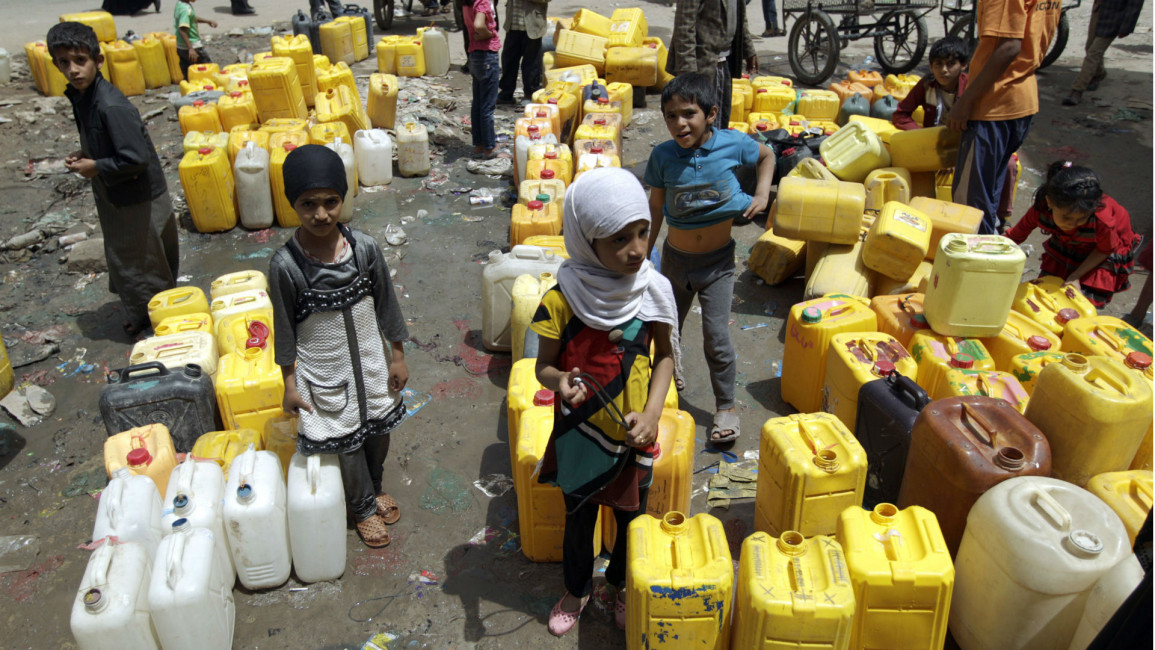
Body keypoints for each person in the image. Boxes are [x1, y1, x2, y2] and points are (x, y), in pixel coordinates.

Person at [531, 167, 677, 636]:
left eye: (642, 232)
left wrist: (652, 414)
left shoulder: (652, 288)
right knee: (579, 516)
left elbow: (665, 359)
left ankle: (615, 583)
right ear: (585, 241)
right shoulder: (562, 299)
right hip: (582, 433)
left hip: (635, 434)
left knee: (630, 517)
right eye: (619, 240)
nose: (637, 249)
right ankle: (577, 588)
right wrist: (561, 381)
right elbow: (544, 367)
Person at [269, 145, 411, 549]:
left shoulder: (364, 248)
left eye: (331, 201)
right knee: (347, 441)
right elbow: (283, 331)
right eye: (308, 204)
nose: (321, 214)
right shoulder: (286, 267)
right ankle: (363, 506)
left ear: (344, 198)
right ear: (292, 204)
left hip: (371, 364)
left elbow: (387, 306)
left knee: (379, 433)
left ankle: (376, 484)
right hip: (326, 373)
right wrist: (290, 382)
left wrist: (397, 355)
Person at [643, 73, 775, 443]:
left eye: (688, 114)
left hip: (718, 265)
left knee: (717, 337)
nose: (679, 123)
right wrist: (645, 253)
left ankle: (725, 407)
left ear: (711, 114)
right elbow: (655, 205)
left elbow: (766, 155)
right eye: (670, 116)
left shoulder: (732, 144)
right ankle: (667, 383)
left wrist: (762, 195)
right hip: (674, 262)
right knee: (667, 330)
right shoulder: (663, 156)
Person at [49, 22, 178, 338]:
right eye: (64, 62)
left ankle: (157, 323)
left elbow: (134, 158)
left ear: (98, 60)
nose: (73, 70)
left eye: (80, 60)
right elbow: (109, 141)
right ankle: (148, 313)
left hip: (135, 196)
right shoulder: (84, 96)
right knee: (135, 259)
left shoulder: (109, 104)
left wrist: (95, 166)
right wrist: (86, 152)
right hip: (119, 191)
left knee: (142, 264)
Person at [944, 0, 1061, 235]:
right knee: (988, 196)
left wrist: (965, 102)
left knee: (970, 208)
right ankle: (990, 251)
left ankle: (978, 262)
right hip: (1021, 100)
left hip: (993, 105)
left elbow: (1009, 47)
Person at [894, 36, 1019, 228]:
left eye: (950, 64)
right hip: (936, 143)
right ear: (931, 66)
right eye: (938, 64)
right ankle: (921, 212)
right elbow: (901, 114)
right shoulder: (927, 85)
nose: (943, 70)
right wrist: (921, 137)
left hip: (969, 140)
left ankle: (1003, 217)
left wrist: (959, 154)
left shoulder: (972, 87)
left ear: (963, 65)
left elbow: (984, 124)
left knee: (1009, 164)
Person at [1005, 161, 1141, 308]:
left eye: (1082, 219)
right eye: (1067, 218)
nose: (1072, 224)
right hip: (1071, 244)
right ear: (1049, 202)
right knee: (1046, 294)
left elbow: (1105, 249)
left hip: (1102, 251)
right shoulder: (1040, 209)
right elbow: (1015, 236)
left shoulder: (1103, 222)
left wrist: (1075, 276)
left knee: (1081, 303)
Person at [668, 0, 758, 127]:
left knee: (720, 121)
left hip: (724, 63)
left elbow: (740, 16)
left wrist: (748, 49)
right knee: (699, 125)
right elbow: (684, 25)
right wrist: (687, 74)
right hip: (701, 64)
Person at [1063, 0, 1146, 105]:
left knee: (1094, 53)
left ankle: (1077, 89)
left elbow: (1135, 4)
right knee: (1090, 48)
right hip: (1099, 10)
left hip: (1115, 17)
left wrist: (1126, 27)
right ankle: (1099, 74)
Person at [464, 0, 501, 158]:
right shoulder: (482, 2)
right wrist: (488, 33)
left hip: (475, 55)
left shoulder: (466, 3)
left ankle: (479, 145)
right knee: (487, 106)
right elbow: (479, 25)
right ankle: (489, 147)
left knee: (478, 103)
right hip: (487, 56)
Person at [496, 0, 548, 106]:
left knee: (531, 63)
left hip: (532, 26)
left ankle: (530, 94)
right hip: (513, 24)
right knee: (509, 60)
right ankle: (506, 94)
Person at [174, 0, 217, 79]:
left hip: (181, 46)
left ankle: (192, 88)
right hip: (193, 46)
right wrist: (191, 49)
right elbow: (182, 29)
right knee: (209, 69)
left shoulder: (180, 4)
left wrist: (207, 21)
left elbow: (192, 17)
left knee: (189, 73)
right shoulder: (185, 9)